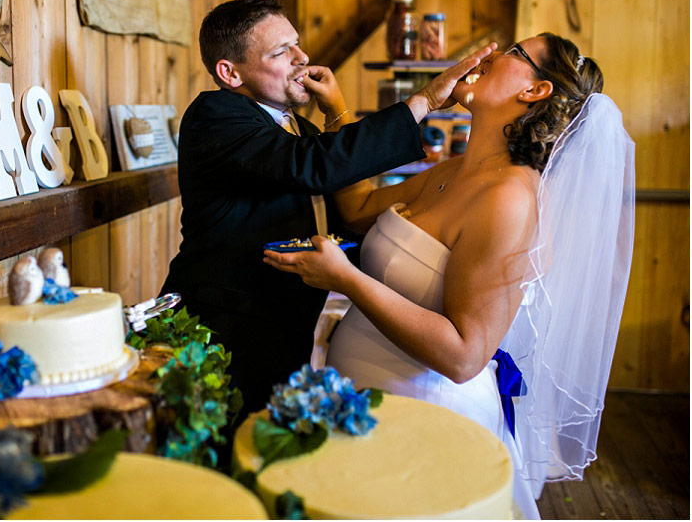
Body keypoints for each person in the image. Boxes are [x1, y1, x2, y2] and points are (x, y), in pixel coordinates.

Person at [264, 33, 635, 519]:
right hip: (361, 401)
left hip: (425, 419)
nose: (491, 55)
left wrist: (347, 280)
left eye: (513, 53)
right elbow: (355, 209)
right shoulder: (456, 170)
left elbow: (464, 355)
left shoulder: (510, 199)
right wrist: (336, 108)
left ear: (534, 92)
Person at [160, 0, 494, 416]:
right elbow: (312, 166)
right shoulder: (215, 115)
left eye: (297, 45)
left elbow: (345, 201)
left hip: (287, 328)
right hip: (223, 329)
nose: (302, 59)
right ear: (230, 72)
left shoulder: (298, 127)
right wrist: (424, 101)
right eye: (281, 52)